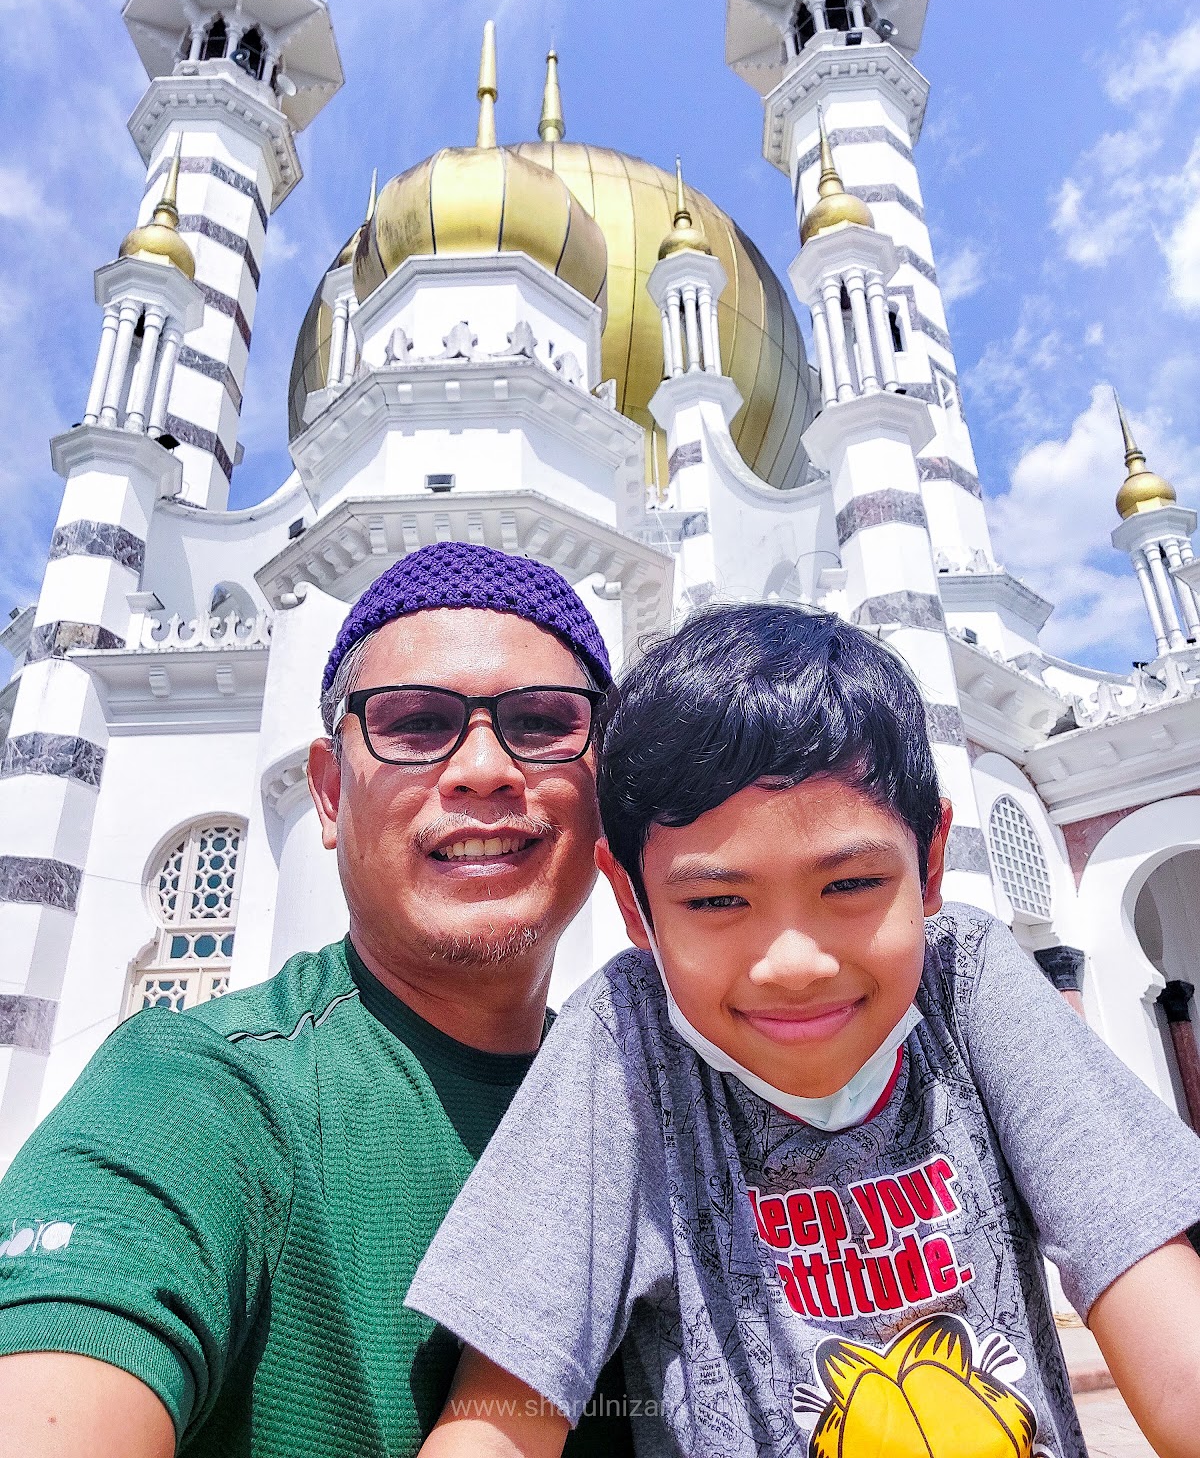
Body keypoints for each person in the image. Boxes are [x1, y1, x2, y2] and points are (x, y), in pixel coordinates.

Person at [407, 603, 1200, 1458]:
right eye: (716, 901)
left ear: (930, 864)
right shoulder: (628, 1041)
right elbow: (500, 1413)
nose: (793, 963)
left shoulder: (963, 982)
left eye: (851, 885)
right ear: (633, 902)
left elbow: (1160, 1312)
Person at [0, 542, 632, 1458]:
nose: (485, 769)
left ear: (602, 788)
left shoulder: (653, 1110)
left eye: (542, 723)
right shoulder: (198, 1093)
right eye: (415, 724)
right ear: (330, 793)